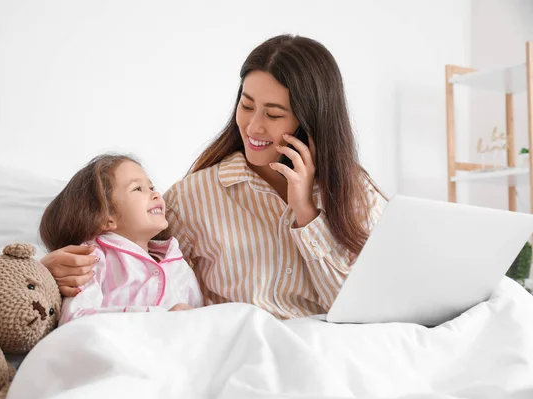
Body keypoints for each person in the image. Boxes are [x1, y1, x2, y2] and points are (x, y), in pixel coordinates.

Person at [41, 34, 386, 320]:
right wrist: (49, 272)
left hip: (328, 356)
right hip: (234, 357)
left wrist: (306, 215)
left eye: (274, 114)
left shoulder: (357, 195)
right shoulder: (196, 196)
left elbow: (364, 314)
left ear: (311, 121)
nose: (253, 126)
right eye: (247, 105)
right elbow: (125, 259)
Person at [39, 154, 203, 325]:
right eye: (138, 189)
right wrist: (157, 317)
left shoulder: (179, 265)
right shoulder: (92, 258)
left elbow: (204, 320)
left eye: (151, 187)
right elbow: (75, 319)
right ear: (106, 217)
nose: (156, 194)